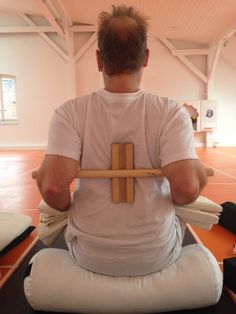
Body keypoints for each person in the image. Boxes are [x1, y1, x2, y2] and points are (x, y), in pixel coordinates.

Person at [36, 5, 207, 276]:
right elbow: (186, 189)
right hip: (157, 253)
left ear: (98, 60)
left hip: (89, 253)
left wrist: (73, 210)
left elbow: (53, 189)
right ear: (146, 58)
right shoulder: (171, 112)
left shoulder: (69, 112)